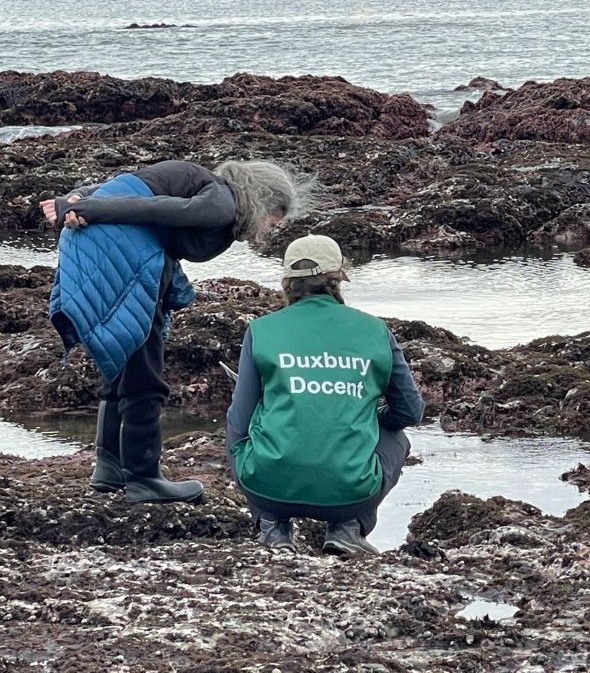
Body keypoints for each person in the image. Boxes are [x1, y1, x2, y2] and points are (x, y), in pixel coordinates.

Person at [40, 159, 310, 505]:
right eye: (276, 217)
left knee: (126, 357)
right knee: (145, 374)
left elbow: (123, 185)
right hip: (119, 246)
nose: (272, 227)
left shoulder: (208, 189)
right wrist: (81, 207)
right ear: (262, 199)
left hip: (103, 242)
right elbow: (152, 208)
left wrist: (77, 198)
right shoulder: (222, 204)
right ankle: (143, 479)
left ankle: (109, 469)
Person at [226, 234, 424, 555]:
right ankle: (349, 527)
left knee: (244, 427)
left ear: (287, 281)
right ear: (338, 278)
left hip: (267, 490)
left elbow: (239, 419)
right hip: (351, 495)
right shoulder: (375, 330)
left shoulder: (261, 330)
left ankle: (271, 526)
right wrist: (372, 418)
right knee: (396, 438)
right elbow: (410, 411)